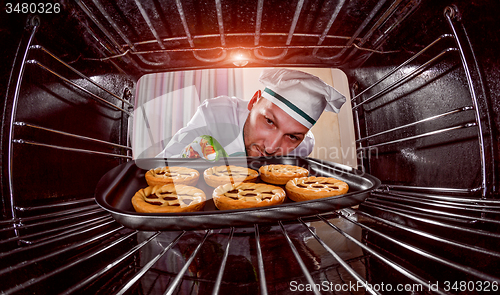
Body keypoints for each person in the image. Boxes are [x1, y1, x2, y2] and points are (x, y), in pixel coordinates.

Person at [156, 68, 346, 159]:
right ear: (254, 101)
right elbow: (157, 167)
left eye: (292, 136)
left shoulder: (304, 146)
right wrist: (187, 160)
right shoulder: (215, 115)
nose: (271, 148)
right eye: (270, 121)